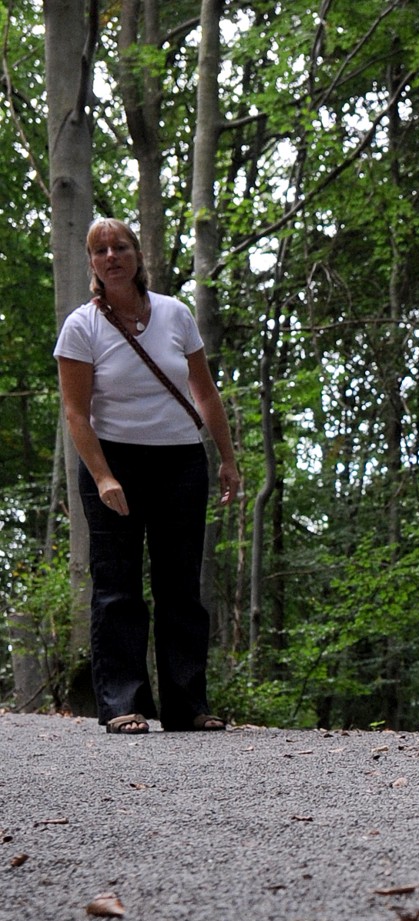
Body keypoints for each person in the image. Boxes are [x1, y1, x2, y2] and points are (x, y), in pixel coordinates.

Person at [54, 218, 241, 734]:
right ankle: (122, 704)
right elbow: (75, 412)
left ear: (137, 255)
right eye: (100, 250)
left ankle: (188, 705)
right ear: (92, 264)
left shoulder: (176, 315)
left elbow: (204, 392)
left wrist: (225, 458)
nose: (112, 256)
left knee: (180, 584)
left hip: (180, 459)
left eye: (121, 246)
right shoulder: (82, 326)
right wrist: (103, 476)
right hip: (112, 461)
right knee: (117, 585)